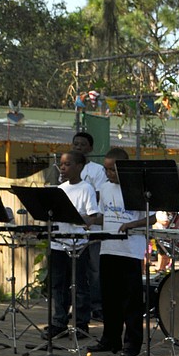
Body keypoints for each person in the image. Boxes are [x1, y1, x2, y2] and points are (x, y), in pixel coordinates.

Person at [87, 148, 155, 356]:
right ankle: (110, 339)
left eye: (113, 169)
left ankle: (132, 344)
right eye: (106, 169)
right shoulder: (105, 188)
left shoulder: (136, 187)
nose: (109, 174)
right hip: (108, 247)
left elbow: (151, 219)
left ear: (124, 167)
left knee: (131, 300)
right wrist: (88, 219)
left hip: (130, 251)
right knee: (109, 298)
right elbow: (103, 216)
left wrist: (131, 224)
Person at [49, 150, 99, 339]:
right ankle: (59, 322)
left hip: (77, 245)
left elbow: (91, 217)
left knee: (79, 286)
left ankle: (81, 324)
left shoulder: (86, 188)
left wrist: (73, 217)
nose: (63, 167)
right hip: (58, 243)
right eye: (61, 164)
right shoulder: (60, 189)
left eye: (67, 164)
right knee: (58, 285)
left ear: (79, 166)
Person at [71, 131, 108, 320]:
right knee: (76, 270)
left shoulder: (97, 170)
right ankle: (78, 307)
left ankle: (97, 306)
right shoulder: (66, 168)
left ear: (90, 148)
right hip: (72, 230)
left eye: (82, 144)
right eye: (75, 144)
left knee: (95, 269)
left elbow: (101, 195)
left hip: (93, 228)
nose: (78, 147)